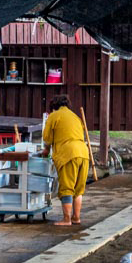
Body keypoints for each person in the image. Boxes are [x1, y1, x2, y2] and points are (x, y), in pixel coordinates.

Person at [41, 95, 91, 226]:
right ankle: (76, 218)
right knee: (78, 189)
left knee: (67, 187)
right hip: (83, 153)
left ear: (53, 106)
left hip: (68, 154)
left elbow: (47, 137)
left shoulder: (54, 116)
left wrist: (46, 149)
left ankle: (66, 219)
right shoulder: (75, 117)